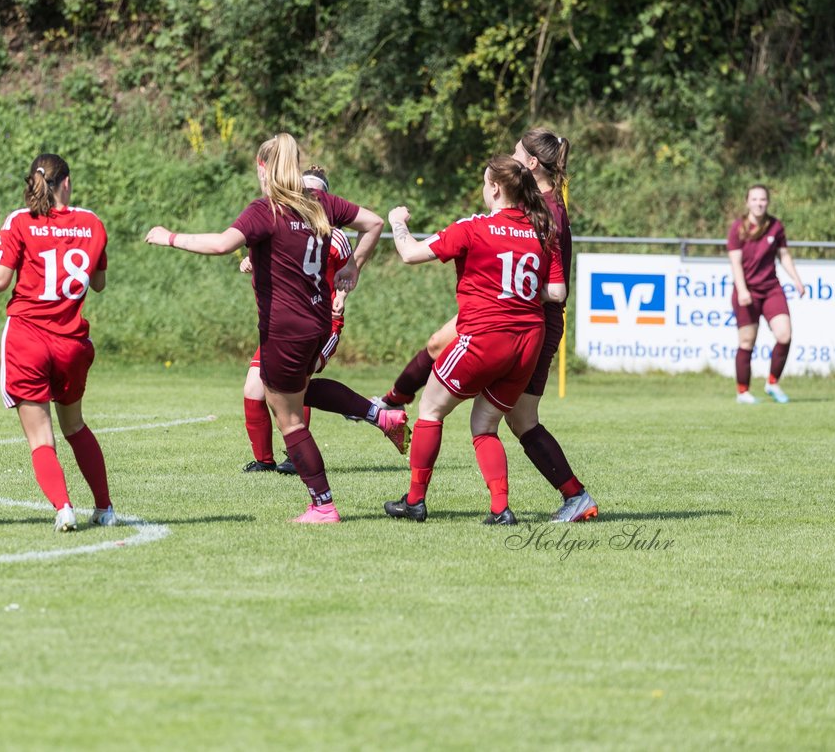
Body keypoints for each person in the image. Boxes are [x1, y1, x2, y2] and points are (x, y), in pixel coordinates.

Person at [146, 133, 397, 523]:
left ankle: (323, 505)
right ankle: (379, 416)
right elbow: (374, 222)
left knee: (290, 420)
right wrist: (354, 266)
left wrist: (169, 237)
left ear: (264, 168)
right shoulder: (321, 203)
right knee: (300, 393)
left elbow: (221, 244)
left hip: (284, 328)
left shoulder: (268, 210)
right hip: (317, 323)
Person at [377, 129, 597, 522]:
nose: (513, 154)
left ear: (501, 185)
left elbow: (411, 253)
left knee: (498, 417)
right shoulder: (540, 220)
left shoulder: (538, 216)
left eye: (517, 152)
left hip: (518, 323)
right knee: (473, 399)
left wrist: (397, 222)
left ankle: (573, 495)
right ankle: (393, 401)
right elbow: (558, 287)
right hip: (526, 330)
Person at [0, 153, 115, 533]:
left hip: (28, 339)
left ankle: (64, 508)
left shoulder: (21, 220)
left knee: (41, 436)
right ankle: (104, 507)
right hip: (71, 341)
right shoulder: (92, 223)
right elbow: (100, 284)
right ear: (66, 183)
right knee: (75, 426)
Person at [240, 166, 351, 475]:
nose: (310, 196)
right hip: (285, 326)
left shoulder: (336, 236)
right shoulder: (286, 225)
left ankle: (297, 455)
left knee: (298, 387)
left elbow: (349, 273)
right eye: (306, 189)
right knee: (253, 389)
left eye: (317, 191)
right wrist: (251, 260)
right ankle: (264, 460)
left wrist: (342, 295)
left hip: (322, 325)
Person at [728, 184, 805, 404]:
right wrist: (742, 290)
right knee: (747, 341)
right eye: (754, 199)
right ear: (747, 202)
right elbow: (735, 262)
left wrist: (797, 280)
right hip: (747, 290)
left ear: (767, 202)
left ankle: (772, 382)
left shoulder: (775, 227)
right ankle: (743, 392)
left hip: (771, 289)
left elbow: (784, 256)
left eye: (762, 199)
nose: (759, 203)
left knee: (784, 335)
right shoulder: (738, 228)